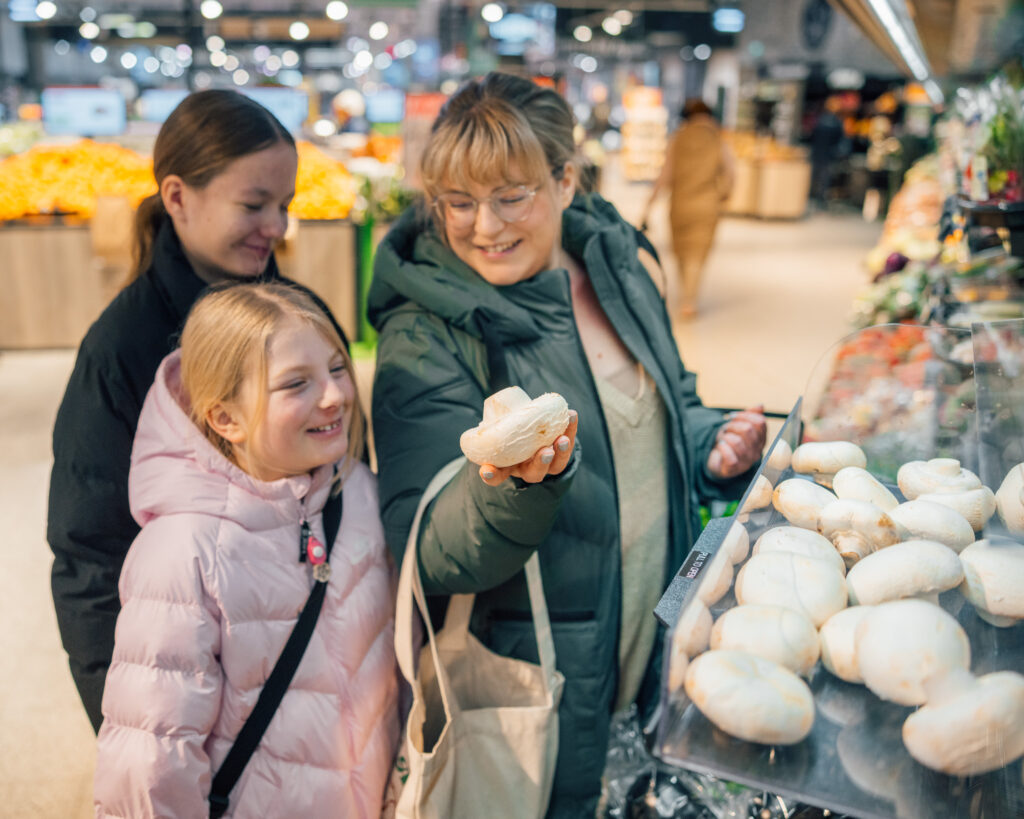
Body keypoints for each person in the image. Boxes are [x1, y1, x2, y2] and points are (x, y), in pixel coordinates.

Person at [368, 73, 766, 818]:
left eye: (510, 195)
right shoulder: (423, 333)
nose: (483, 225)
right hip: (542, 673)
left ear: (564, 182)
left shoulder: (614, 266)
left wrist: (712, 438)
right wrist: (509, 487)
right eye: (457, 201)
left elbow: (665, 399)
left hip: (653, 627)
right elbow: (429, 544)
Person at [47, 89, 351, 733]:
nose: (275, 226)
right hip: (194, 681)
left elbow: (344, 480)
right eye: (253, 204)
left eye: (284, 205)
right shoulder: (124, 345)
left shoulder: (296, 310)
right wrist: (125, 723)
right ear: (178, 196)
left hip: (312, 663)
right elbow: (88, 551)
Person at [93, 283, 398, 816]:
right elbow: (151, 760)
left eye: (337, 368)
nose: (335, 396)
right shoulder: (184, 552)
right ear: (226, 419)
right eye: (296, 383)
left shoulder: (362, 497)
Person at [639, 98, 734, 319]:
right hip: (708, 203)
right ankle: (689, 300)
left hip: (680, 202)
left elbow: (665, 174)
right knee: (697, 253)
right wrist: (724, 194)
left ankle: (687, 296)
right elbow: (731, 171)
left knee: (681, 251)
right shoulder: (717, 139)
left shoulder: (678, 138)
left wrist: (649, 204)